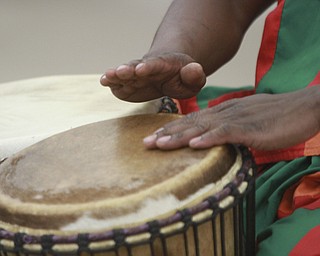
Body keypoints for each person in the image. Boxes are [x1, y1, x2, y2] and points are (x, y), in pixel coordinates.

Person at [101, 0, 320, 255]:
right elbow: (231, 6)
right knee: (124, 136)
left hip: (294, 124)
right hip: (271, 119)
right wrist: (174, 49)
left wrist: (312, 105)